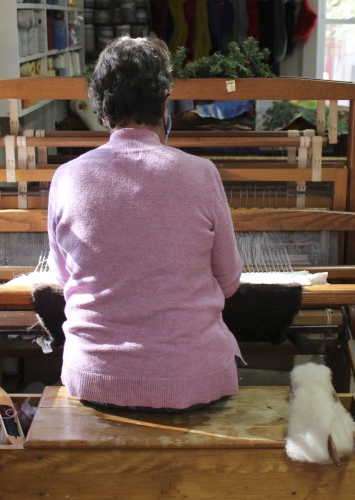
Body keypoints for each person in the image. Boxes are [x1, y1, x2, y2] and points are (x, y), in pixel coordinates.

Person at [47, 36, 243, 411]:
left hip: (95, 380)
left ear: (102, 112)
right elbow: (229, 282)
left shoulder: (67, 177)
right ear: (165, 105)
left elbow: (63, 278)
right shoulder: (201, 174)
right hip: (193, 380)